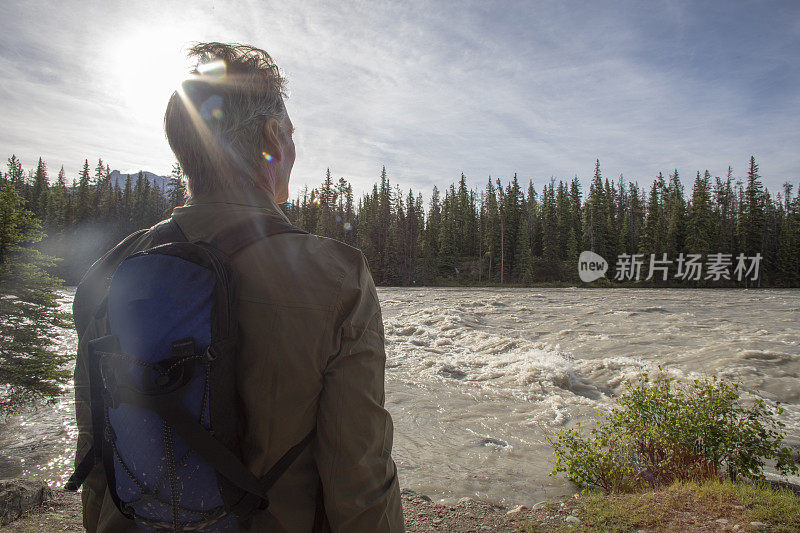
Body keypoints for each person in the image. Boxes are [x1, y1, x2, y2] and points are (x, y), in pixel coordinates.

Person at [71, 42, 404, 532]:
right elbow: (359, 477)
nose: (293, 147)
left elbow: (96, 456)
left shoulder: (108, 271)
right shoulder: (338, 276)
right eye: (289, 133)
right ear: (272, 135)